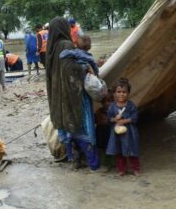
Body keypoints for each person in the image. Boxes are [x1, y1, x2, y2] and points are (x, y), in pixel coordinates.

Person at [46, 17, 99, 172]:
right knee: (83, 127)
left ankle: (74, 161)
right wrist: (86, 68)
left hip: (58, 96)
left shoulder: (51, 47)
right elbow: (71, 69)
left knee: (68, 130)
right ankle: (94, 165)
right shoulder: (66, 45)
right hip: (73, 95)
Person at [106, 78, 140, 176]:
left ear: (128, 93)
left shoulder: (131, 105)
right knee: (119, 151)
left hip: (130, 133)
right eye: (119, 92)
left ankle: (135, 169)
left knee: (133, 150)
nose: (121, 94)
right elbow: (108, 119)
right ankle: (121, 170)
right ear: (114, 94)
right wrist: (115, 119)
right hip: (117, 134)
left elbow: (135, 117)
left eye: (124, 92)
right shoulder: (112, 106)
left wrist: (124, 121)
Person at [95, 93, 114, 170]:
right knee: (101, 147)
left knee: (110, 147)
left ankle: (109, 163)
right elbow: (95, 120)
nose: (107, 103)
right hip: (101, 131)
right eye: (105, 101)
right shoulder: (99, 111)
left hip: (109, 131)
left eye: (110, 101)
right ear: (102, 103)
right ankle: (102, 163)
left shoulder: (114, 111)